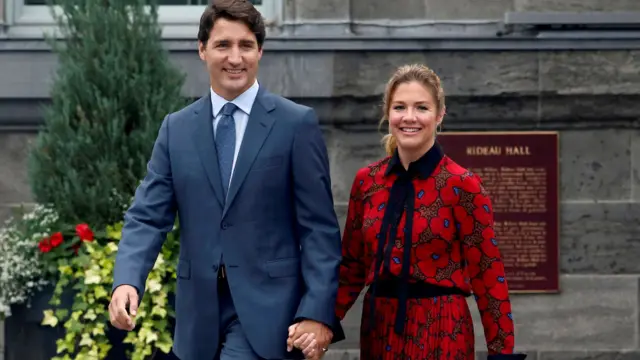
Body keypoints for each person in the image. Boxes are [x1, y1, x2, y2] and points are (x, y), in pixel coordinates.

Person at [108, 1, 344, 359]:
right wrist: (127, 279)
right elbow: (147, 216)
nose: (236, 58)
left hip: (269, 314)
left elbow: (319, 230)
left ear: (260, 51)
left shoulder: (295, 124)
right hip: (197, 318)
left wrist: (316, 312)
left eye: (246, 45)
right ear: (202, 50)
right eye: (223, 45)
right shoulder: (177, 129)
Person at [288, 64, 527, 360]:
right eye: (400, 107)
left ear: (439, 115)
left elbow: (488, 275)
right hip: (379, 327)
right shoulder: (368, 181)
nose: (410, 117)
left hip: (443, 328)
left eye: (422, 108)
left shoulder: (462, 184)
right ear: (388, 113)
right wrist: (318, 320)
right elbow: (352, 267)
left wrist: (501, 353)